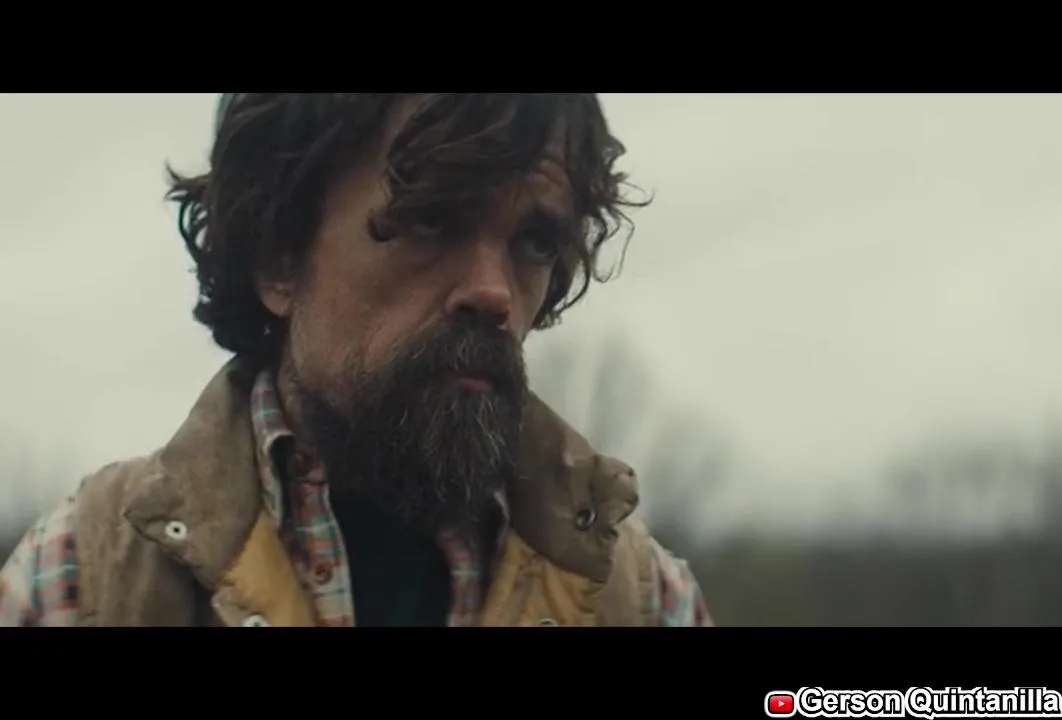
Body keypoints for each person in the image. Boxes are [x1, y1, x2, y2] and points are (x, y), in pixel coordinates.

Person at [0, 94, 714, 627]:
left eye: (533, 243)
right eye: (432, 220)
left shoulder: (634, 598)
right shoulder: (90, 580)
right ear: (279, 258)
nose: (494, 292)